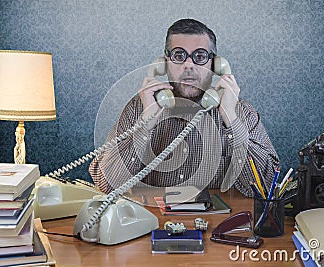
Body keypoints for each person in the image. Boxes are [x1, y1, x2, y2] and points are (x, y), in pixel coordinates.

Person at [89, 18, 279, 197]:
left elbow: (268, 188)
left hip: (218, 226)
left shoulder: (241, 112)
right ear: (163, 64)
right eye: (179, 55)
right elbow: (106, 184)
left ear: (216, 65)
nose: (189, 65)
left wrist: (230, 118)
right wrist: (145, 123)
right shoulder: (140, 107)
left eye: (200, 56)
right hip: (151, 224)